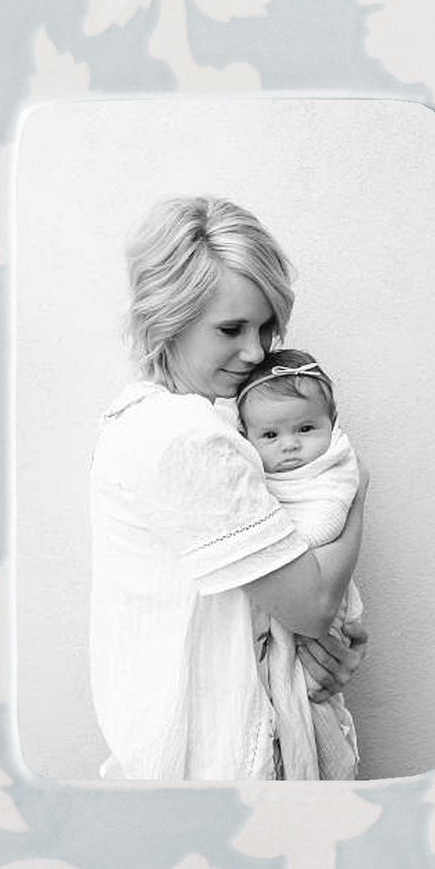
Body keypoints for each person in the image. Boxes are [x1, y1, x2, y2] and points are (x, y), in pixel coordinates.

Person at [89, 197, 368, 781]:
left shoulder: (174, 420)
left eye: (266, 327)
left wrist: (323, 655)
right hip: (215, 770)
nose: (256, 352)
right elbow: (312, 605)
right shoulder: (182, 436)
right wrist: (357, 488)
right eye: (231, 329)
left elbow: (268, 604)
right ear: (168, 318)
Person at [236, 349, 362, 780]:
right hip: (283, 600)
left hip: (314, 589)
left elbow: (327, 521)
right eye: (269, 435)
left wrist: (279, 544)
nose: (289, 445)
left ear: (332, 424)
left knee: (311, 689)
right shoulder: (247, 471)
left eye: (305, 429)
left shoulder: (335, 467)